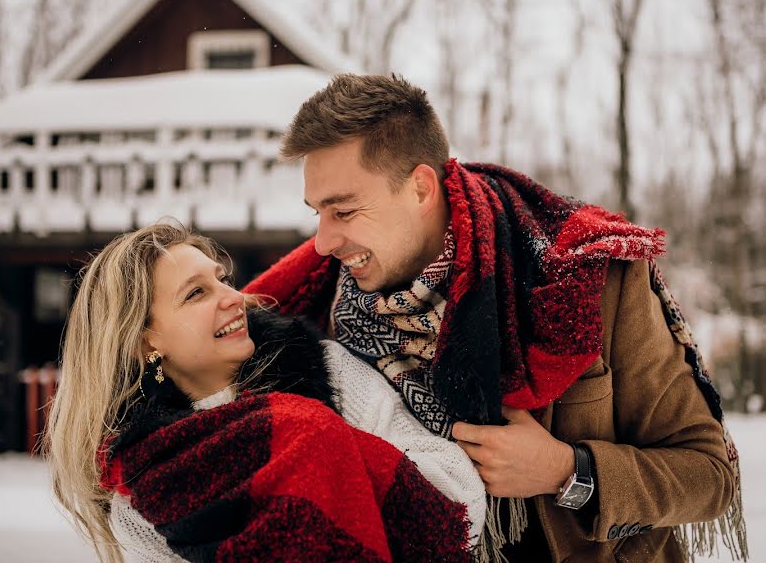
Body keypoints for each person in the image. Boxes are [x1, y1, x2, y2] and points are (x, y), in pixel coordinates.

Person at [244, 74, 747, 562]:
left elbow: (708, 475)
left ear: (420, 188)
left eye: (345, 211)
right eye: (318, 213)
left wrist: (567, 472)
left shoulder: (584, 277)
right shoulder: (321, 318)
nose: (323, 243)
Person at [44, 223, 486, 563]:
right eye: (197, 293)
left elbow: (458, 497)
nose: (234, 296)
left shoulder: (323, 371)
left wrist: (313, 442)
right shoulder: (147, 488)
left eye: (222, 279)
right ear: (145, 342)